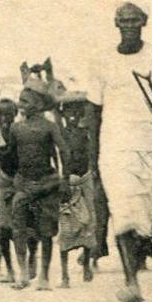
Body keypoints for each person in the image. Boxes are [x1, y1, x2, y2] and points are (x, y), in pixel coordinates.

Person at [86, 1, 152, 302]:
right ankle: (131, 281)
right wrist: (93, 159)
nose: (128, 25)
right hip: (115, 147)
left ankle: (137, 265)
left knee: (142, 219)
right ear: (116, 24)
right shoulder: (101, 61)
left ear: (144, 22)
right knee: (123, 210)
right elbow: (93, 110)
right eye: (123, 20)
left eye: (134, 20)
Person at [2, 78, 66, 291]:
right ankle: (22, 273)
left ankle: (44, 277)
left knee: (46, 231)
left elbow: (63, 151)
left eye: (26, 101)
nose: (21, 105)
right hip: (23, 183)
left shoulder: (50, 127)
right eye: (20, 100)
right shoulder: (16, 128)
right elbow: (11, 156)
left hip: (47, 183)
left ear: (38, 104)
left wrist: (64, 179)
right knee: (18, 228)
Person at [56, 91, 100, 285]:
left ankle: (86, 266)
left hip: (86, 178)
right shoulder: (60, 133)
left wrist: (93, 171)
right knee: (66, 224)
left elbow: (92, 154)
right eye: (69, 113)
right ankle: (65, 273)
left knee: (89, 222)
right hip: (69, 180)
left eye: (77, 113)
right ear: (63, 115)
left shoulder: (86, 133)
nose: (73, 117)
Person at [0, 96, 19, 282]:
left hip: (19, 182)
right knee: (2, 228)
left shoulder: (17, 131)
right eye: (1, 115)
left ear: (15, 115)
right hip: (0, 182)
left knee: (21, 227)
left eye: (9, 115)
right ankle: (5, 267)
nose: (4, 119)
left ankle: (25, 263)